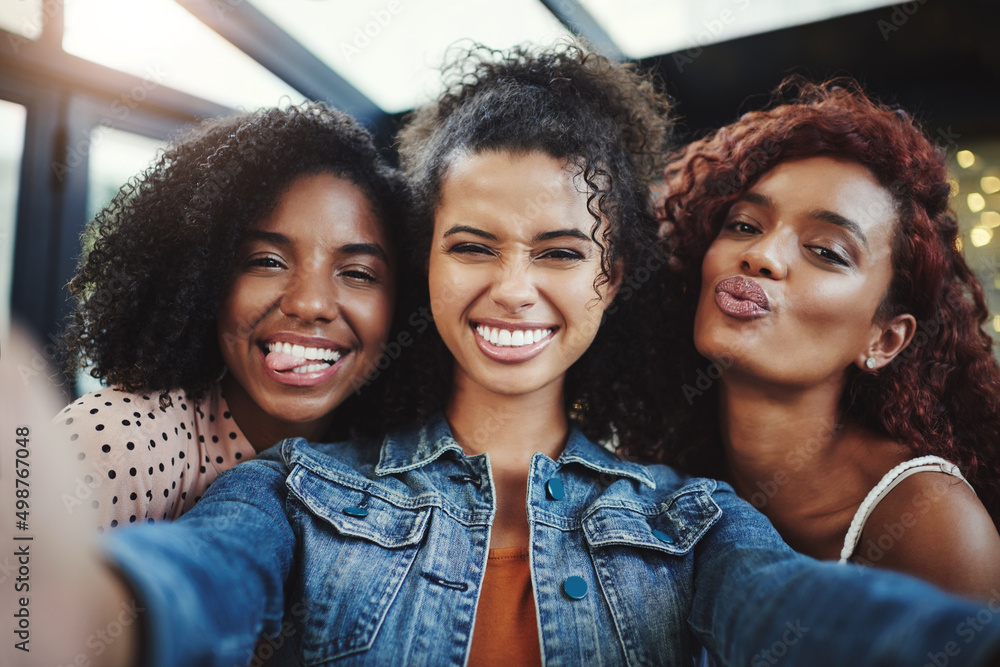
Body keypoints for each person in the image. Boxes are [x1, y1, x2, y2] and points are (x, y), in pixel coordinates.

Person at [42, 45, 1000, 667]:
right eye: (472, 245)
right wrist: (79, 602)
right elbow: (191, 581)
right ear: (424, 262)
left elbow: (809, 613)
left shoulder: (694, 519)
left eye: (559, 251)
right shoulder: (293, 488)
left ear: (613, 276)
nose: (512, 288)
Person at [657, 78, 1000, 598]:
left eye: (826, 251)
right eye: (745, 225)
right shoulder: (663, 474)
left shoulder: (931, 524)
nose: (761, 256)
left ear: (884, 340)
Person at [55, 103, 409, 528]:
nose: (311, 304)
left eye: (357, 272)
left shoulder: (399, 465)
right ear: (206, 278)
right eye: (268, 261)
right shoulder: (117, 442)